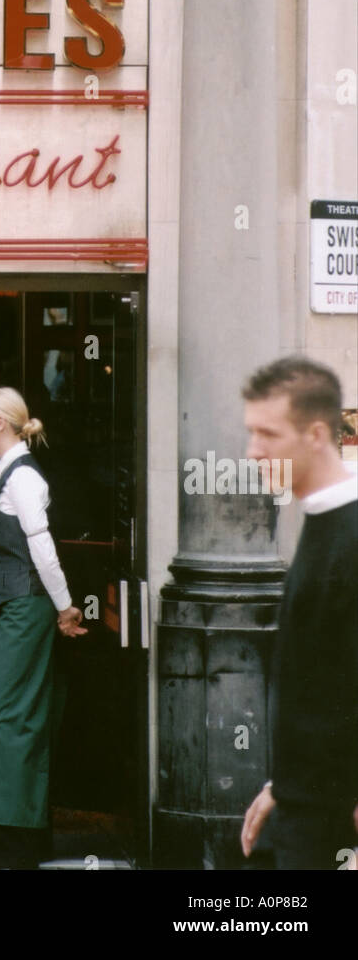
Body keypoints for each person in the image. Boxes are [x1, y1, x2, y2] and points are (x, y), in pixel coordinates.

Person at [239, 357, 358, 870]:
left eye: (268, 433)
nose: (252, 451)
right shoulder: (321, 518)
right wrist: (282, 787)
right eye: (251, 432)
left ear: (315, 434)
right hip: (306, 809)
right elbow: (325, 680)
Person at [0, 386, 86, 870]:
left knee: (5, 718)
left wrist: (64, 607)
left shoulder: (21, 480)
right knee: (20, 717)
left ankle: (11, 845)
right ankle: (20, 839)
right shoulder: (12, 475)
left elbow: (43, 547)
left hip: (25, 607)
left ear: (0, 422)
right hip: (23, 606)